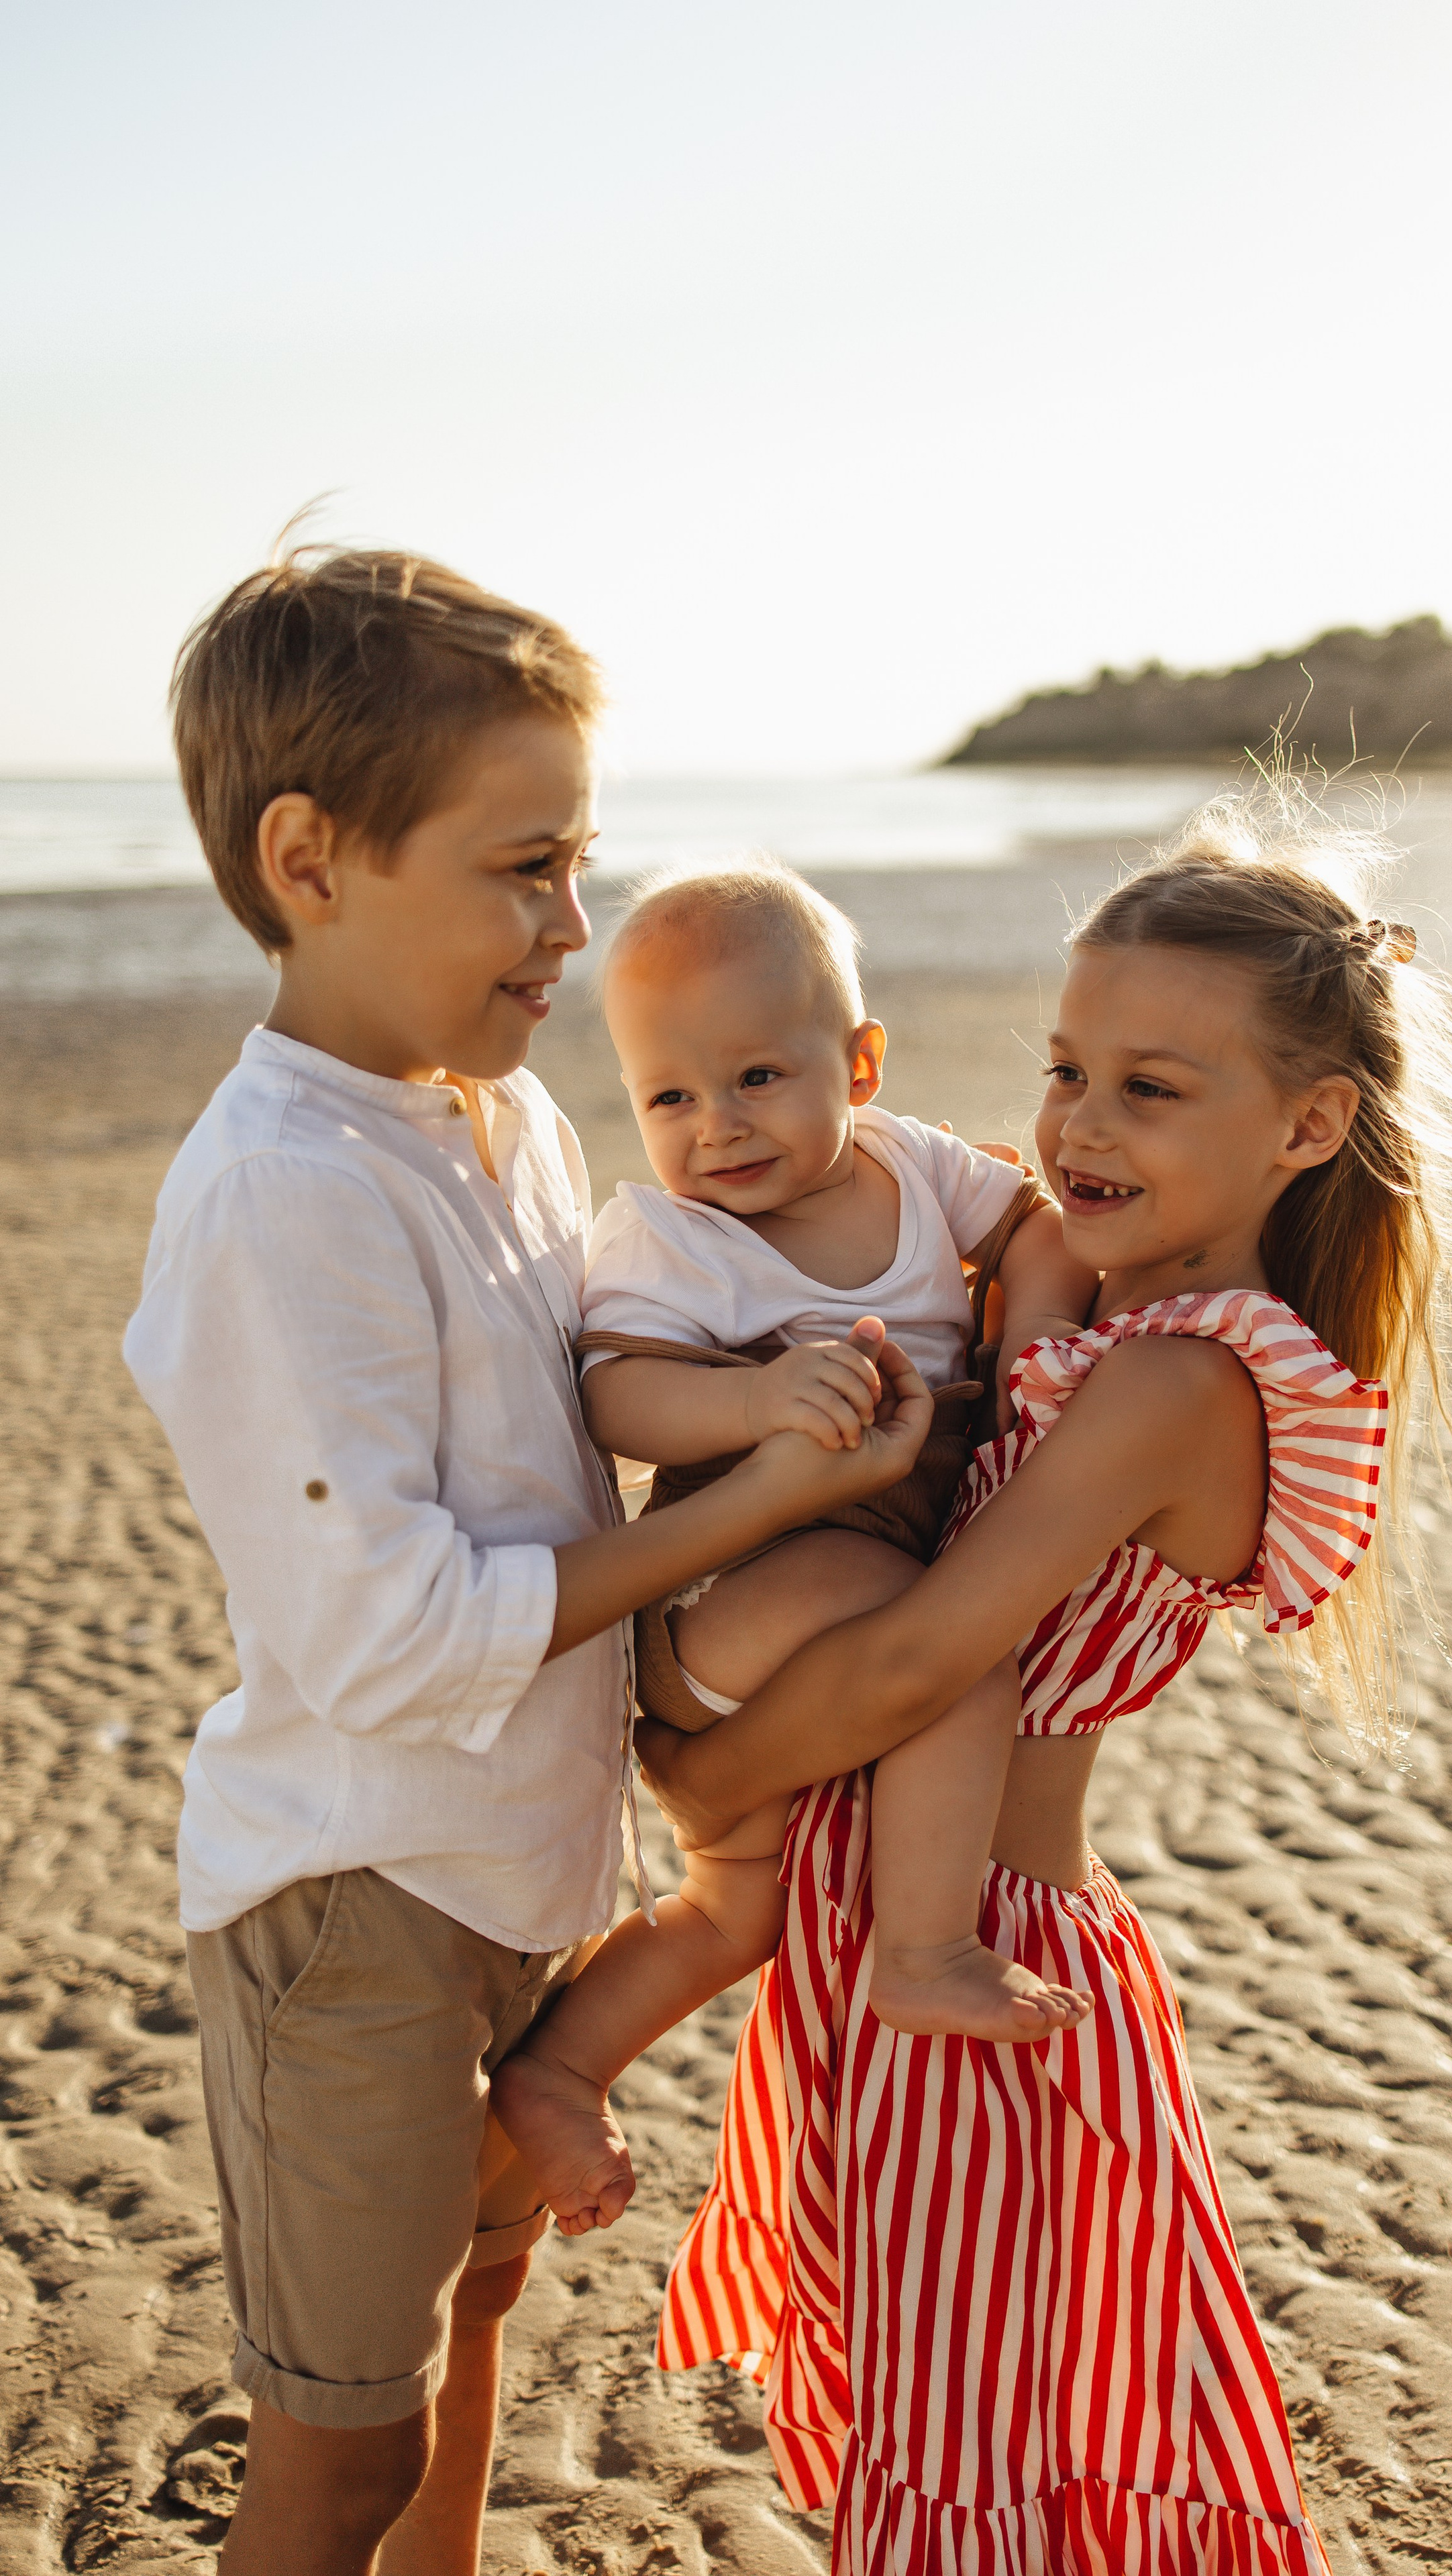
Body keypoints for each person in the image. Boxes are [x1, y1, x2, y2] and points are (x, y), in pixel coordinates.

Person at [123, 548, 929, 2576]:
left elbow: (602, 1412)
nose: (576, 926)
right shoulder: (281, 1197)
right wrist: (757, 1506)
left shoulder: (504, 1124)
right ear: (311, 857)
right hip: (359, 1906)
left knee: (481, 2303)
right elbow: (392, 1634)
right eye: (524, 868)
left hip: (519, 1863)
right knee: (338, 2457)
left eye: (582, 863)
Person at [641, 800, 1452, 2573]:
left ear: (1311, 1123)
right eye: (1069, 1067)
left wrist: (688, 1773)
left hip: (978, 1956)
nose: (1079, 1122)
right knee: (951, 2427)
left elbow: (918, 1659)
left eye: (1150, 1087)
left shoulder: (1184, 1384)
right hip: (892, 1935)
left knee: (975, 2467)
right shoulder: (1093, 1309)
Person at [492, 863, 1097, 2229]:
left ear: (860, 1063)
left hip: (839, 1590)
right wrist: (755, 1401)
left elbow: (1038, 1230)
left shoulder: (915, 1171)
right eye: (669, 1097)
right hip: (729, 1594)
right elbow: (614, 1391)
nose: (714, 1128)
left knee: (731, 1914)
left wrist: (1035, 1347)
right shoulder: (670, 1234)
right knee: (945, 1646)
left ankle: (562, 2070)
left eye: (757, 1077)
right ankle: (924, 1946)